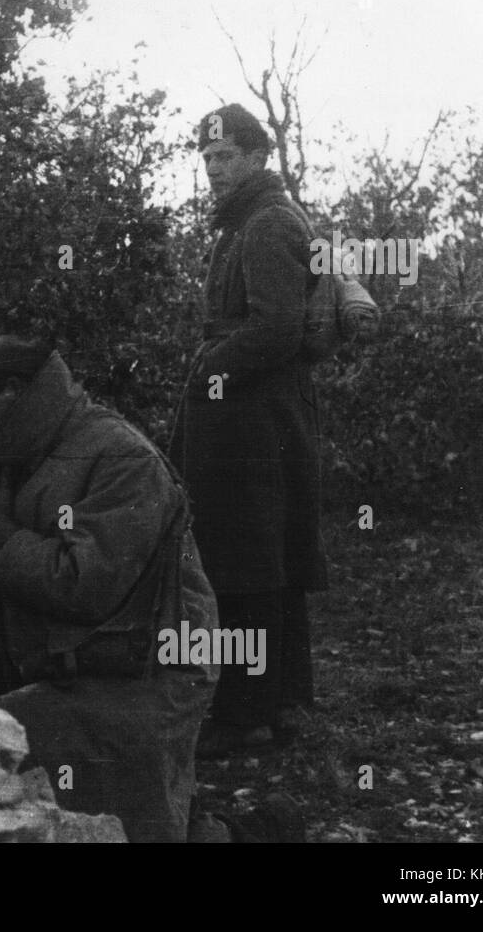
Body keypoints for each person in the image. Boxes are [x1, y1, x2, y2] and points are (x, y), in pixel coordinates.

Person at [0, 336, 219, 842]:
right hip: (96, 661)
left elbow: (84, 588)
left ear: (15, 392)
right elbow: (9, 582)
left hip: (149, 674)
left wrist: (0, 528)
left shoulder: (118, 456)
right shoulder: (39, 451)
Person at [169, 103, 328, 757]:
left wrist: (212, 364)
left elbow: (276, 328)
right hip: (255, 414)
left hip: (254, 419)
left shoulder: (264, 225)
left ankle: (245, 715)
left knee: (248, 563)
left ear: (258, 158)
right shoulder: (249, 221)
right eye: (206, 159)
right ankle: (284, 704)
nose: (212, 169)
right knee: (269, 561)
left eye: (225, 156)